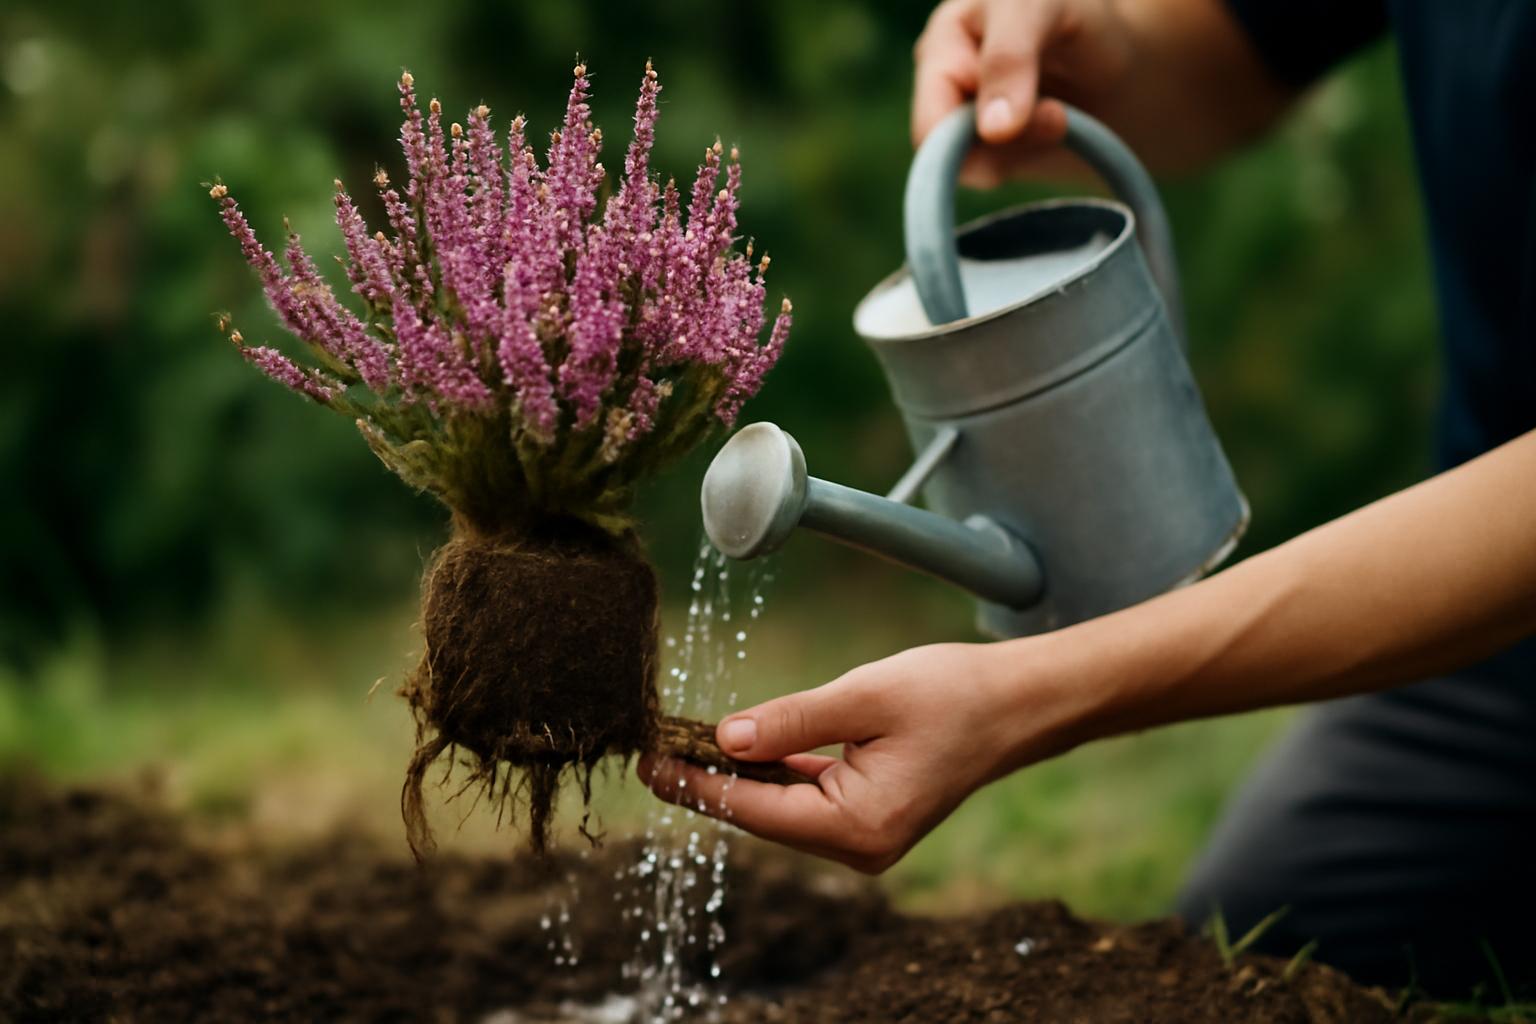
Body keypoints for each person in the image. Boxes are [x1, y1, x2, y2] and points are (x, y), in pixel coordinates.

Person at [641, 0, 1536, 995]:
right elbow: (1239, 58)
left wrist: (1039, 690)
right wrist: (1094, 55)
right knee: (1252, 947)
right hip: (1495, 653)